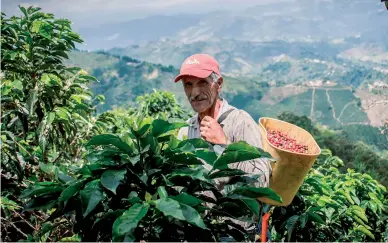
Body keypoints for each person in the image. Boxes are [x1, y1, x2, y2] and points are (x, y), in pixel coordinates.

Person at [174, 53, 273, 239]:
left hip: (235, 233)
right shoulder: (185, 131)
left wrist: (224, 145)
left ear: (218, 84)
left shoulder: (240, 122)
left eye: (202, 82)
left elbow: (261, 182)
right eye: (188, 84)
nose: (194, 93)